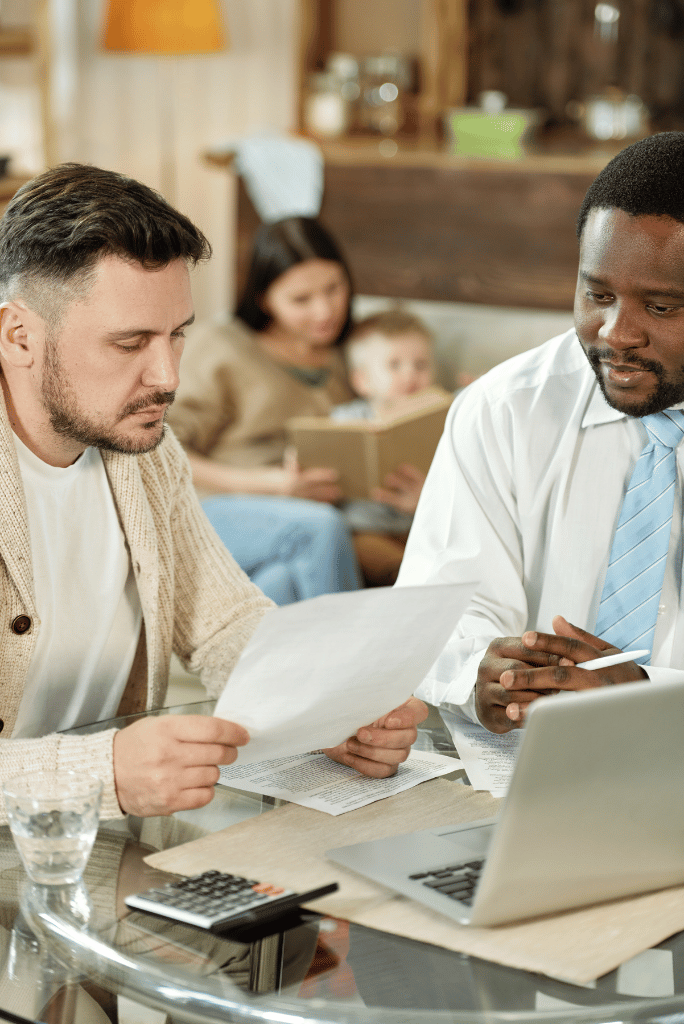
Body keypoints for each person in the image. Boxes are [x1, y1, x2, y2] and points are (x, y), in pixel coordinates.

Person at [0, 163, 427, 823]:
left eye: (177, 335)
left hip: (103, 841)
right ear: (18, 335)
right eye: (130, 343)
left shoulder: (147, 454)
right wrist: (102, 772)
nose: (168, 376)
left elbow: (226, 623)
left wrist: (328, 707)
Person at [397, 131, 684, 737]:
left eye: (660, 308)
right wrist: (480, 666)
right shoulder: (504, 410)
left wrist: (645, 697)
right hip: (526, 773)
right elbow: (437, 608)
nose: (614, 333)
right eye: (597, 293)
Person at [167, 218, 424, 593]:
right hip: (218, 507)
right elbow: (162, 450)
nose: (325, 311)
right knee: (318, 527)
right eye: (301, 299)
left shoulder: (354, 355)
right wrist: (273, 485)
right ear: (264, 299)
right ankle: (357, 650)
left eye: (334, 289)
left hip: (311, 522)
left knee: (279, 586)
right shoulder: (220, 347)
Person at [331, 308, 437, 585]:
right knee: (361, 544)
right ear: (361, 381)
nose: (410, 375)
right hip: (367, 529)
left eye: (421, 365)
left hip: (421, 525)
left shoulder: (442, 419)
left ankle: (418, 576)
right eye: (395, 365)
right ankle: (404, 577)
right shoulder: (345, 420)